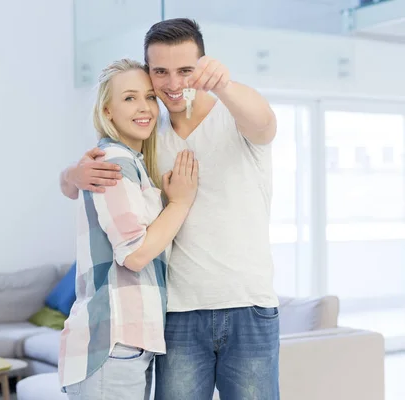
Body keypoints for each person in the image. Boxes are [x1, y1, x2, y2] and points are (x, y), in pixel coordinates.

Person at [60, 19, 280, 400]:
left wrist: (224, 84)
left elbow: (265, 125)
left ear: (203, 67)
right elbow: (88, 181)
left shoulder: (235, 114)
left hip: (248, 305)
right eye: (160, 72)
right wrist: (71, 174)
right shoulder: (146, 131)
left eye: (185, 71)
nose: (174, 84)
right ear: (149, 73)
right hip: (176, 313)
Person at [58, 58, 199, 400]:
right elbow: (135, 254)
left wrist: (68, 178)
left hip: (124, 342)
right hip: (114, 342)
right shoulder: (114, 163)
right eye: (130, 98)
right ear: (107, 112)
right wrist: (180, 203)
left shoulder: (131, 163)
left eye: (150, 97)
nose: (144, 107)